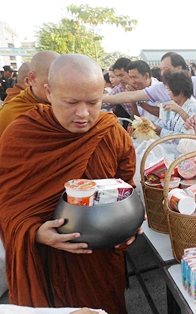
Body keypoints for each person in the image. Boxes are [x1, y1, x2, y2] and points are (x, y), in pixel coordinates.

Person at [0, 54, 141, 313]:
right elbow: (7, 206)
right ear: (49, 92)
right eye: (71, 102)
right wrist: (35, 233)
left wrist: (129, 225)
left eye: (93, 102)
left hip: (98, 263)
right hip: (46, 264)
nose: (83, 114)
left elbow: (126, 189)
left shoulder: (111, 133)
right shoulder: (21, 136)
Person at [102, 52, 196, 106]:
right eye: (161, 69)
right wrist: (98, 98)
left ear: (179, 68)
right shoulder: (160, 88)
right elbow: (131, 95)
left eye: (166, 69)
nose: (162, 73)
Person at [0, 51, 60, 137]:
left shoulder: (68, 106)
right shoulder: (10, 113)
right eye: (54, 77)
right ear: (32, 79)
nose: (62, 83)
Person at [154, 70, 196, 139]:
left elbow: (185, 138)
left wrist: (161, 131)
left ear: (179, 91)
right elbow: (166, 124)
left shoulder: (194, 108)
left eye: (169, 90)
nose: (168, 93)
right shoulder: (174, 104)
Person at [126, 60, 161, 124]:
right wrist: (133, 102)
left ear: (146, 76)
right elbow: (136, 118)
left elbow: (162, 114)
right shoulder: (137, 89)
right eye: (130, 78)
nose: (133, 81)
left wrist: (139, 102)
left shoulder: (159, 89)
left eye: (135, 77)